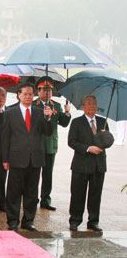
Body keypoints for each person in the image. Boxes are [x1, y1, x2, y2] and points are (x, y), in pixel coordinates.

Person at [2, 83, 53, 231]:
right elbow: (5, 138)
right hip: (16, 159)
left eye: (31, 94)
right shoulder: (10, 113)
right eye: (25, 94)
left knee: (32, 193)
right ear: (19, 95)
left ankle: (28, 220)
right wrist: (5, 159)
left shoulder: (39, 112)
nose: (28, 96)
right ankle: (12, 221)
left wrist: (48, 118)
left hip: (35, 159)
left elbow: (48, 132)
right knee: (14, 192)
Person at [68, 95, 109, 232]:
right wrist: (88, 148)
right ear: (83, 106)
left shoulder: (103, 122)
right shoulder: (76, 122)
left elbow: (108, 142)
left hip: (99, 165)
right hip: (81, 164)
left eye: (94, 104)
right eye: (88, 104)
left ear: (97, 106)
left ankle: (93, 221)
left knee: (95, 194)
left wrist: (105, 137)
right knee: (77, 194)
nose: (92, 106)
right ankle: (75, 220)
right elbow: (72, 142)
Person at [33, 77, 71, 211]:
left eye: (50, 90)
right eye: (44, 90)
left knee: (48, 174)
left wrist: (66, 113)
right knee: (34, 174)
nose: (47, 93)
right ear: (38, 91)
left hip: (50, 145)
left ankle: (45, 200)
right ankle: (32, 198)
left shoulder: (57, 105)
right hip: (36, 145)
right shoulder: (33, 105)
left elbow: (64, 123)